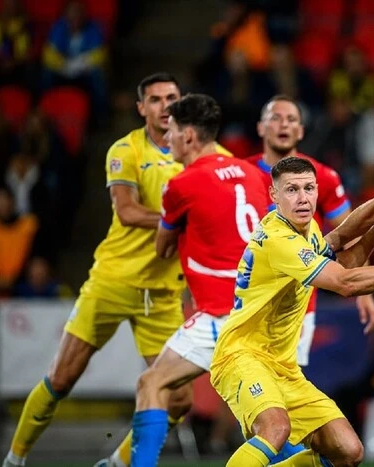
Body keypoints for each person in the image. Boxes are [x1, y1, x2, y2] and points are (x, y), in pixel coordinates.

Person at [2, 73, 233, 467]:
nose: (166, 106)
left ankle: (117, 462)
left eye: (173, 98)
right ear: (141, 108)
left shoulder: (214, 158)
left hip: (161, 295)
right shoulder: (125, 150)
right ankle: (14, 458)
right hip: (113, 282)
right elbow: (126, 211)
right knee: (61, 378)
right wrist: (177, 218)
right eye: (156, 99)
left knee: (178, 400)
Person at [210, 156, 374, 467]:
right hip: (242, 356)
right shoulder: (279, 240)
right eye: (291, 190)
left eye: (309, 188)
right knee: (275, 428)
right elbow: (345, 283)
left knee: (347, 452)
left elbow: (345, 252)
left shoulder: (306, 229)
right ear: (274, 195)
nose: (303, 198)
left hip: (282, 366)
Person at [109, 94, 266, 466]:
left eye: (173, 131)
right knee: (270, 417)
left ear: (190, 135)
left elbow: (163, 249)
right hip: (260, 311)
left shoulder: (181, 185)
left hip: (218, 315)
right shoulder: (253, 173)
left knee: (152, 383)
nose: (167, 140)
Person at [247, 94, 374, 370]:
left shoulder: (321, 177)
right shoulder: (240, 174)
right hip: (245, 300)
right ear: (261, 127)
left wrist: (364, 291)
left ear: (301, 130)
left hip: (296, 306)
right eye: (276, 118)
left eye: (291, 119)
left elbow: (350, 233)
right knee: (235, 389)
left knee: (283, 388)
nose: (284, 124)